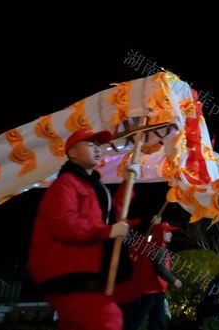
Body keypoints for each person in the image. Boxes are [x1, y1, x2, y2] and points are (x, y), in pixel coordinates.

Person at [27, 128, 134, 330]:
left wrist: (129, 180)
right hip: (67, 272)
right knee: (107, 320)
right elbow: (64, 224)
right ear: (72, 153)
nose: (97, 149)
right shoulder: (65, 184)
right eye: (90, 144)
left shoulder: (95, 186)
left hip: (87, 269)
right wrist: (107, 232)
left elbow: (113, 215)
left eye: (98, 145)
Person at [124, 222, 182, 330]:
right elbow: (160, 268)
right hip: (151, 290)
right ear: (161, 233)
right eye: (168, 231)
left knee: (156, 319)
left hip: (157, 289)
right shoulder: (158, 248)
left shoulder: (154, 246)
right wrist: (174, 280)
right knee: (139, 318)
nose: (171, 234)